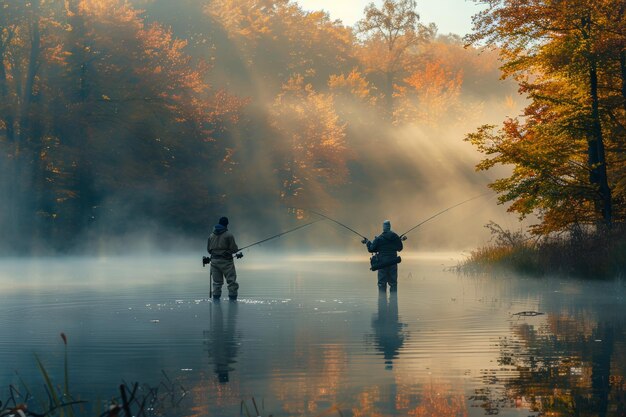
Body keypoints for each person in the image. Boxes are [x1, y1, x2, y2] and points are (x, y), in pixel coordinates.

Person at [362, 220, 404, 291]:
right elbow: (400, 248)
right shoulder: (395, 237)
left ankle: (382, 301)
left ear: (383, 228)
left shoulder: (378, 239)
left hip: (382, 264)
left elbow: (371, 249)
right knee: (393, 283)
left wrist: (367, 242)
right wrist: (398, 240)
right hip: (393, 263)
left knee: (381, 283)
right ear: (389, 227)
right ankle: (393, 301)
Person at [207, 216, 239, 300]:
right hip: (226, 262)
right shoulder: (229, 235)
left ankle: (216, 303)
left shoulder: (211, 235)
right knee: (231, 282)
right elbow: (234, 249)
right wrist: (235, 250)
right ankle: (232, 303)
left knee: (217, 283)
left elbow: (209, 250)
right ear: (227, 224)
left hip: (214, 262)